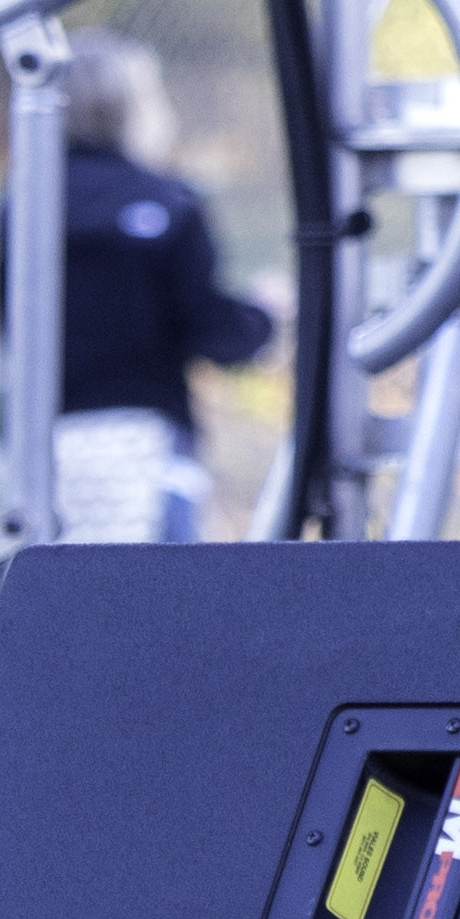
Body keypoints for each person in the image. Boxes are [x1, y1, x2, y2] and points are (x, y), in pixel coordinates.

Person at [46, 40, 279, 543]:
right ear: (132, 109)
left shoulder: (23, 203)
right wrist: (265, 316)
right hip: (146, 442)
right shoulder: (166, 201)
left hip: (43, 443)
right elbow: (210, 330)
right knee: (160, 606)